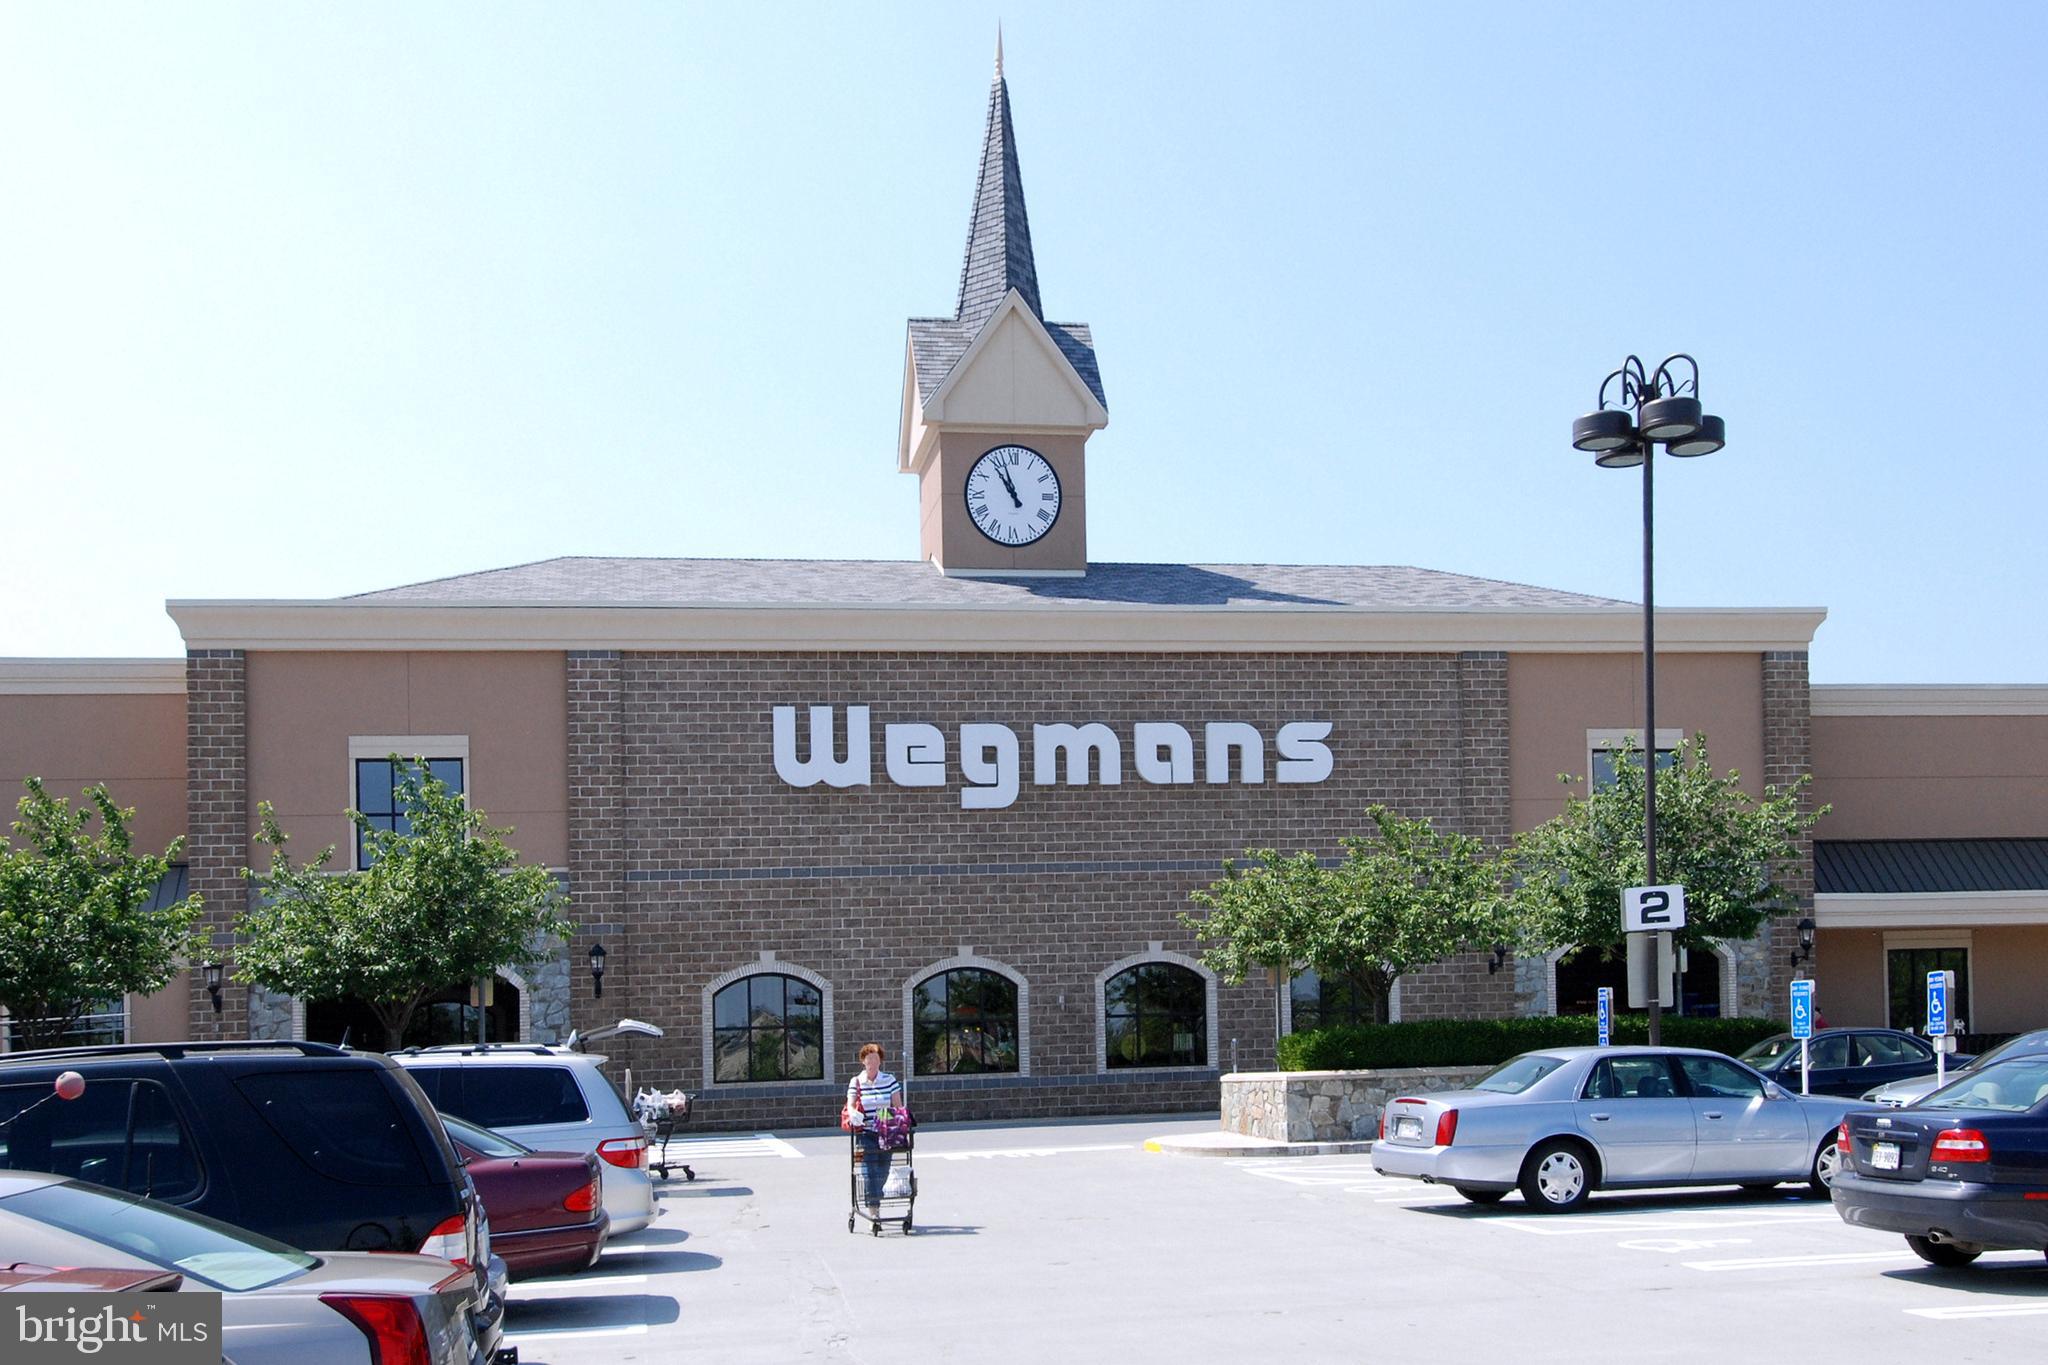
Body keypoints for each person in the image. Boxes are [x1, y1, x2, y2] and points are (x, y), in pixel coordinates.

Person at [845, 1042, 903, 1218]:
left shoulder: (889, 1080)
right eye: (869, 1058)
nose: (872, 1062)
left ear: (880, 1061)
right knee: (869, 1169)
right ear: (863, 1061)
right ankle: (874, 1209)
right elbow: (850, 1103)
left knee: (883, 1169)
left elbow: (898, 1106)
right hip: (865, 1132)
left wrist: (901, 1122)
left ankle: (876, 1195)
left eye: (876, 1058)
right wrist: (853, 1112)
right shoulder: (856, 1081)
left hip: (886, 1130)